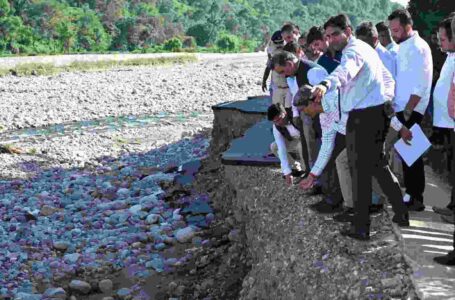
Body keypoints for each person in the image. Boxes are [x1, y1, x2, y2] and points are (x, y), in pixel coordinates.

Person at [311, 13, 410, 240]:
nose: (330, 40)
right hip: (375, 114)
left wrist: (326, 84)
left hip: (364, 118)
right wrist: (386, 104)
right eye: (327, 36)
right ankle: (401, 211)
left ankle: (361, 227)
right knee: (378, 166)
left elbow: (344, 71)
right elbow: (387, 79)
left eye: (334, 34)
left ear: (348, 32)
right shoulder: (367, 49)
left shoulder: (354, 51)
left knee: (360, 173)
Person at [388, 8, 433, 211]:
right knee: (406, 153)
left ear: (408, 26)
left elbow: (421, 85)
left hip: (412, 107)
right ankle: (411, 193)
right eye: (392, 30)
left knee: (412, 152)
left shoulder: (419, 46)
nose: (393, 34)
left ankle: (416, 197)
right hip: (401, 105)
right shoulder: (403, 46)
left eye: (396, 30)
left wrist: (407, 112)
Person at [433, 14, 455, 267]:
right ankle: (451, 204)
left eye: (443, 39)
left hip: (451, 124)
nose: (440, 43)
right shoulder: (450, 57)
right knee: (450, 169)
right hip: (446, 124)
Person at [268, 103, 306, 186]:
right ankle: (295, 169)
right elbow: (281, 148)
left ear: (284, 113)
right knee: (274, 147)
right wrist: (287, 171)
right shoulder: (276, 126)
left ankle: (307, 172)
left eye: (278, 119)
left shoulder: (295, 116)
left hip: (307, 139)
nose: (277, 123)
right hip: (294, 141)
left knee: (301, 146)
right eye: (274, 121)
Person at [262, 30, 288, 107]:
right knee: (277, 108)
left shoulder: (289, 49)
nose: (279, 45)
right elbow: (268, 67)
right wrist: (264, 81)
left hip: (288, 85)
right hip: (276, 85)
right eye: (277, 43)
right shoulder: (271, 51)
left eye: (280, 42)